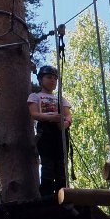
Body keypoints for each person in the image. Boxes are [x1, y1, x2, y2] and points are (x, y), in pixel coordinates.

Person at [28, 65, 72, 196]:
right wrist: (52, 117)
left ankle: (62, 192)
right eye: (49, 77)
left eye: (55, 78)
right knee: (47, 163)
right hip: (46, 130)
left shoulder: (61, 99)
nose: (52, 80)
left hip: (60, 132)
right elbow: (34, 114)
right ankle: (46, 194)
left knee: (61, 163)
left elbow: (68, 114)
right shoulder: (35, 96)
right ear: (41, 80)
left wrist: (66, 123)